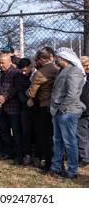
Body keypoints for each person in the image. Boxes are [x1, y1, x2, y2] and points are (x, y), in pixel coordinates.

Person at [48, 47, 85, 179]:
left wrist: (61, 108)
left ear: (62, 58)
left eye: (56, 57)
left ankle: (72, 170)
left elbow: (73, 94)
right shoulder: (63, 70)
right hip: (59, 111)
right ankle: (56, 167)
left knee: (69, 142)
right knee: (57, 140)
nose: (55, 60)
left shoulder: (74, 71)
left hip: (68, 111)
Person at [25, 50, 59, 171]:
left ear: (42, 60)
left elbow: (31, 92)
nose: (36, 62)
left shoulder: (40, 73)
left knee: (45, 136)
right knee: (56, 136)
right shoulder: (57, 69)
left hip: (44, 105)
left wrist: (27, 94)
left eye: (37, 60)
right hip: (57, 105)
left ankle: (49, 163)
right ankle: (58, 162)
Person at [0, 54, 23, 164]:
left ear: (9, 62)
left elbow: (16, 87)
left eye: (2, 63)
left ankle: (18, 154)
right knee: (3, 131)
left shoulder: (16, 73)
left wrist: (4, 98)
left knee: (16, 132)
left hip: (12, 107)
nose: (0, 65)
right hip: (0, 108)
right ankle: (6, 151)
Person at [17, 58, 41, 167]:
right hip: (25, 108)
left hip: (37, 108)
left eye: (25, 70)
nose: (23, 73)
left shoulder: (38, 75)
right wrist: (26, 101)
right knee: (26, 132)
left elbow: (41, 91)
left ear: (31, 66)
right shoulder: (20, 76)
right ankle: (27, 154)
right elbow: (20, 91)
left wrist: (34, 101)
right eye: (22, 70)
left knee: (37, 132)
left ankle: (38, 156)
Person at [77, 56, 89, 167]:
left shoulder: (80, 76)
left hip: (83, 110)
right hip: (83, 110)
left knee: (82, 134)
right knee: (82, 134)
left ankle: (85, 157)